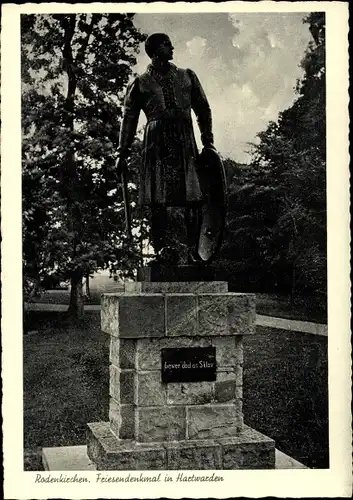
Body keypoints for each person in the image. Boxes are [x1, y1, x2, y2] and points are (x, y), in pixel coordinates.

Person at [116, 33, 217, 264]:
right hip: (156, 146)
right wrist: (122, 153)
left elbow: (203, 109)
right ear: (154, 50)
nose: (172, 46)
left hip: (184, 141)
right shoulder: (140, 83)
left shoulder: (187, 76)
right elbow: (129, 119)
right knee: (157, 200)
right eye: (166, 44)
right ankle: (162, 251)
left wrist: (208, 140)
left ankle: (194, 252)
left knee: (193, 197)